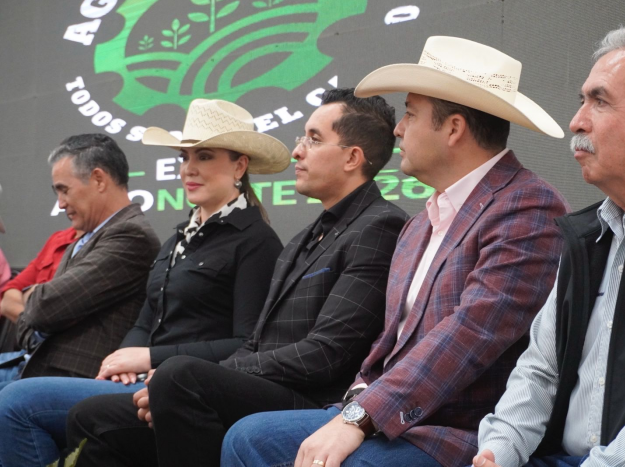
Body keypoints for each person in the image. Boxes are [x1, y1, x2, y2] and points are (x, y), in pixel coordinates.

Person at [220, 36, 570, 467]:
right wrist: (355, 403)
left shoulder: (527, 205)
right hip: (386, 420)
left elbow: (470, 334)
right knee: (247, 438)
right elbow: (390, 344)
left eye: (410, 113)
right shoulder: (418, 225)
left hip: (460, 434)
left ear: (453, 128)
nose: (398, 129)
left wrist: (358, 419)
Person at [66, 88, 409, 467]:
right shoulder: (302, 238)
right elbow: (255, 342)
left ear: (352, 158)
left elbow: (326, 355)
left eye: (313, 139)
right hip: (265, 386)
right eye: (302, 138)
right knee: (92, 415)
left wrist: (208, 373)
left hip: (317, 401)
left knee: (177, 377)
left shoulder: (380, 225)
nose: (297, 151)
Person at [0, 99, 288, 467]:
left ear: (240, 165)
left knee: (16, 403)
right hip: (140, 381)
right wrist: (120, 361)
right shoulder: (178, 238)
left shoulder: (256, 241)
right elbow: (147, 318)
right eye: (184, 157)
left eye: (204, 156)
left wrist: (150, 357)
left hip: (184, 390)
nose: (189, 168)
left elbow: (247, 343)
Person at [471, 25, 625, 467]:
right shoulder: (588, 234)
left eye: (600, 101)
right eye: (582, 100)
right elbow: (540, 370)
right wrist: (498, 451)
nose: (576, 121)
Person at [0, 134, 161, 384]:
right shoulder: (85, 238)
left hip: (74, 378)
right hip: (37, 368)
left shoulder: (132, 235)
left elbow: (44, 308)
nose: (60, 204)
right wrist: (40, 302)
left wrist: (31, 293)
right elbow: (38, 315)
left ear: (98, 179)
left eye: (64, 190)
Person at [0, 226, 81, 324]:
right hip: (32, 328)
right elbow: (10, 293)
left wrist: (30, 294)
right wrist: (28, 325)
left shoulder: (96, 249)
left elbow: (61, 302)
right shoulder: (58, 238)